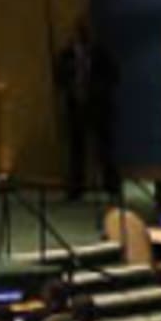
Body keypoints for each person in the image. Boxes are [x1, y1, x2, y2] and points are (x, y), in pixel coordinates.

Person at [54, 18, 120, 200]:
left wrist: (97, 89)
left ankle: (111, 185)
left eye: (85, 31)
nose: (82, 34)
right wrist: (71, 86)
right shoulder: (66, 55)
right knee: (76, 149)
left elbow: (114, 76)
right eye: (79, 31)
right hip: (75, 106)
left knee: (104, 148)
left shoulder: (100, 53)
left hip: (98, 107)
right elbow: (59, 79)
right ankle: (76, 188)